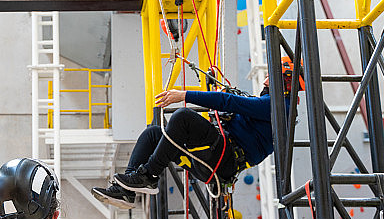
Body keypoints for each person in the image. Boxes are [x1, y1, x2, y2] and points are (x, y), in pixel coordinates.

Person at [93, 60, 300, 209]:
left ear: (285, 83)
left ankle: (148, 176)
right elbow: (233, 108)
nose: (265, 82)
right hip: (217, 156)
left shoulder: (281, 107)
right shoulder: (272, 106)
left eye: (271, 78)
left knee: (183, 116)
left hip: (224, 158)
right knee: (154, 134)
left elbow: (230, 102)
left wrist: (184, 95)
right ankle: (127, 188)